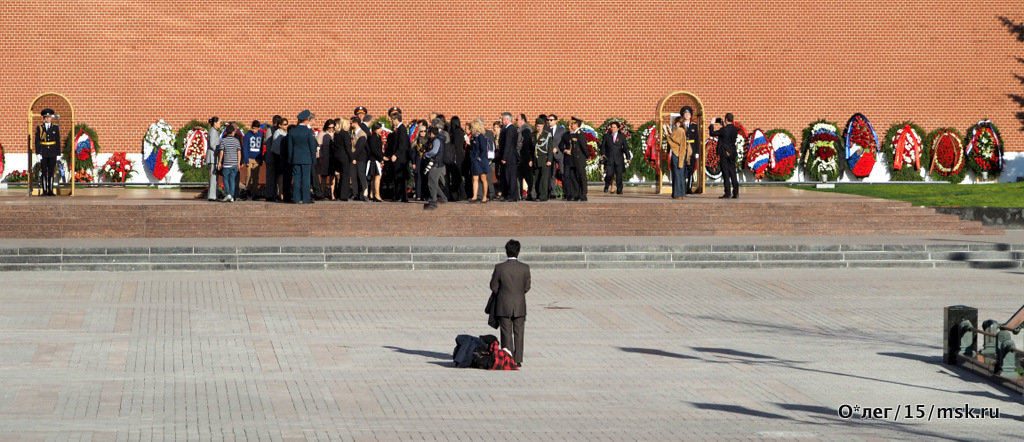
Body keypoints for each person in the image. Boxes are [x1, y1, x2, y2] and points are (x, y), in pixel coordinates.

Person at [489, 239, 530, 367]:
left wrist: (501, 293)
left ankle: (508, 357)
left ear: (506, 251)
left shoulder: (500, 268)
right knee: (519, 332)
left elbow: (493, 286)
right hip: (519, 305)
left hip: (503, 305)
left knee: (506, 332)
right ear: (518, 251)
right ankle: (518, 359)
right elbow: (527, 287)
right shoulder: (524, 268)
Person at [288, 110, 317, 204]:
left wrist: (290, 159)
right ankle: (305, 198)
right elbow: (312, 146)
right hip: (306, 158)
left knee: (296, 179)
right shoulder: (308, 132)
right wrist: (314, 159)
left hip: (295, 158)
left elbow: (290, 147)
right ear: (306, 120)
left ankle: (296, 198)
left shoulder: (292, 131)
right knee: (306, 179)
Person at [709, 113, 739, 199]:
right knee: (733, 172)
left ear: (726, 119)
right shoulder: (735, 129)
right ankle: (736, 192)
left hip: (724, 153)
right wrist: (723, 125)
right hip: (732, 152)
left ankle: (727, 192)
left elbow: (712, 133)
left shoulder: (723, 130)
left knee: (726, 173)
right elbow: (728, 136)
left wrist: (712, 123)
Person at [560, 117, 589, 201]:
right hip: (572, 159)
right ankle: (576, 194)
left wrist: (587, 156)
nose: (571, 125)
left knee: (581, 176)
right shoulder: (572, 134)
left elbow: (584, 146)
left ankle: (583, 194)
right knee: (573, 177)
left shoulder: (580, 134)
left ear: (576, 124)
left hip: (579, 159)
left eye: (572, 124)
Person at [34, 108, 61, 196]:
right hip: (44, 152)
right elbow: (37, 141)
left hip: (52, 152)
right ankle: (44, 190)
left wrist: (58, 153)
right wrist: (38, 153)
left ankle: (50, 190)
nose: (49, 119)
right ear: (44, 118)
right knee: (44, 171)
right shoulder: (40, 128)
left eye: (50, 117)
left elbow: (58, 141)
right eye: (47, 117)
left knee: (51, 171)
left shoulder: (55, 128)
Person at [666, 117, 693, 199]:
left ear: (678, 123)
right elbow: (674, 138)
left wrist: (666, 132)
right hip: (681, 154)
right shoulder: (682, 131)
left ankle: (677, 194)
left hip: (677, 154)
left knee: (677, 175)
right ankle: (681, 193)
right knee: (680, 175)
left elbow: (672, 140)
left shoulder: (679, 130)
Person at [601, 121, 630, 194]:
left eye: (614, 127)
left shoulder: (622, 137)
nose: (613, 129)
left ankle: (619, 189)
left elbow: (625, 148)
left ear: (617, 129)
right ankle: (607, 185)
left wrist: (628, 157)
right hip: (609, 159)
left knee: (619, 176)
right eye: (612, 127)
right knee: (609, 174)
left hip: (618, 159)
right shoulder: (607, 136)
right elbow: (603, 146)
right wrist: (603, 154)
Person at [389, 110, 411, 202]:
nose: (392, 121)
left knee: (399, 178)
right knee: (399, 178)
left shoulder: (401, 129)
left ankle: (399, 196)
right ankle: (400, 196)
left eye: (393, 120)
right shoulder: (400, 129)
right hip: (401, 157)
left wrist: (395, 154)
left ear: (397, 119)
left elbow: (402, 145)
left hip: (400, 158)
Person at [498, 112, 520, 201]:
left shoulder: (510, 129)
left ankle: (512, 195)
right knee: (506, 176)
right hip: (509, 155)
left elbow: (508, 144)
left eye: (502, 119)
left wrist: (504, 157)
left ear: (507, 119)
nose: (501, 121)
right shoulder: (507, 129)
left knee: (510, 176)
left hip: (510, 156)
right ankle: (507, 194)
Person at [216, 124, 242, 202]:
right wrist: (238, 163)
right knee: (232, 180)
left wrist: (219, 162)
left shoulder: (224, 140)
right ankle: (232, 195)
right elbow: (239, 152)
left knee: (226, 180)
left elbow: (221, 152)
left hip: (226, 163)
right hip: (234, 163)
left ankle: (228, 194)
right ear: (233, 132)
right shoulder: (236, 141)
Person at [423, 126, 446, 210]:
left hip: (435, 164)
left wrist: (426, 154)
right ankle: (443, 198)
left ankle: (433, 201)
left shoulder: (436, 140)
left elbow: (434, 151)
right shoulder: (440, 139)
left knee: (431, 182)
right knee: (434, 182)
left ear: (431, 133)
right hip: (438, 163)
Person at [468, 119, 490, 203]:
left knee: (483, 178)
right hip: (475, 160)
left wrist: (480, 158)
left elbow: (483, 149)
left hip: (481, 160)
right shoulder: (474, 136)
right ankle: (474, 196)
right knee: (475, 178)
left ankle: (484, 196)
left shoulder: (481, 136)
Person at [679, 106, 700, 193]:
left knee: (691, 168)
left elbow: (697, 139)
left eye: (688, 114)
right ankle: (683, 187)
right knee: (683, 168)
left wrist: (697, 152)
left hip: (691, 148)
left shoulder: (694, 126)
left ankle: (689, 187)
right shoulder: (680, 125)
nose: (687, 115)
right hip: (683, 148)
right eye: (685, 113)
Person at [241, 120, 264, 200]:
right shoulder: (248, 135)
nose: (254, 130)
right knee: (248, 175)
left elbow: (261, 147)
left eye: (256, 129)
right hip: (250, 158)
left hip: (257, 158)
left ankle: (255, 193)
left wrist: (261, 158)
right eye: (253, 128)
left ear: (258, 128)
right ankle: (246, 191)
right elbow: (245, 148)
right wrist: (246, 160)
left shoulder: (261, 134)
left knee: (256, 176)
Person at [532, 115, 552, 201]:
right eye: (537, 126)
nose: (538, 128)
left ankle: (543, 196)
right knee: (537, 178)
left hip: (544, 159)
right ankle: (537, 194)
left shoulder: (547, 135)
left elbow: (550, 148)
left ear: (543, 126)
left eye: (540, 126)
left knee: (543, 179)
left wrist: (549, 160)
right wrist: (530, 159)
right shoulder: (533, 135)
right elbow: (531, 148)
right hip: (536, 159)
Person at [446, 116, 467, 201]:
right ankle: (461, 194)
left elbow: (456, 145)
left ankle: (459, 194)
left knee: (456, 176)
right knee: (458, 176)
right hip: (460, 155)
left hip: (456, 156)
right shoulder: (461, 132)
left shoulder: (456, 132)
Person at [333, 117, 353, 201]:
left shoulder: (337, 133)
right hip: (344, 156)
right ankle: (343, 195)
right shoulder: (345, 134)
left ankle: (337, 193)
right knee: (345, 176)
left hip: (337, 156)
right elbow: (347, 147)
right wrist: (351, 158)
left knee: (339, 176)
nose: (349, 125)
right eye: (348, 124)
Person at [516, 114, 536, 200]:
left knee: (528, 177)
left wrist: (524, 156)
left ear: (523, 120)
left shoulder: (526, 130)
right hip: (521, 157)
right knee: (520, 177)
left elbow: (527, 144)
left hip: (525, 157)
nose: (516, 121)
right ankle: (520, 194)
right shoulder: (520, 130)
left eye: (517, 119)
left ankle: (531, 194)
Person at [547, 114, 566, 200]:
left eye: (551, 120)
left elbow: (563, 142)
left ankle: (566, 191)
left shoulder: (561, 130)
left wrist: (557, 149)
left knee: (562, 172)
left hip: (559, 154)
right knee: (551, 173)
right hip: (550, 155)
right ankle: (552, 192)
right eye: (548, 120)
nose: (549, 121)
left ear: (555, 121)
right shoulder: (546, 130)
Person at [350, 117, 370, 201]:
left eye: (351, 123)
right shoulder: (353, 133)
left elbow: (360, 148)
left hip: (360, 158)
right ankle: (356, 193)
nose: (350, 125)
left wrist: (354, 157)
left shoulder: (362, 134)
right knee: (354, 176)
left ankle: (365, 193)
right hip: (353, 157)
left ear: (355, 123)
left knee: (361, 176)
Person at [317, 119, 335, 200]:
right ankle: (322, 192)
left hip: (332, 157)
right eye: (329, 127)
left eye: (333, 127)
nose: (331, 129)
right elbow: (318, 146)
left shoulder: (335, 134)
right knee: (323, 176)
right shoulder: (322, 134)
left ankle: (332, 194)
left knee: (332, 176)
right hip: (324, 157)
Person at [367, 122, 385, 202]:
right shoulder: (373, 137)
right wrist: (381, 157)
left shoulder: (378, 136)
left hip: (377, 159)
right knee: (377, 176)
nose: (381, 130)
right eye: (380, 128)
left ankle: (372, 193)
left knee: (375, 177)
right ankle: (377, 195)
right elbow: (374, 149)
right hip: (374, 160)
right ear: (376, 129)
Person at [206, 116, 222, 201]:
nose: (220, 124)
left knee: (215, 177)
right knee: (213, 177)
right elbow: (212, 144)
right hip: (213, 157)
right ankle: (212, 196)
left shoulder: (215, 131)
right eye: (219, 122)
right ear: (215, 123)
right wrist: (219, 150)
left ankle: (214, 194)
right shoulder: (213, 131)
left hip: (214, 156)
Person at [489, 121, 502, 200]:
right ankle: (496, 191)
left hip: (500, 158)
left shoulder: (501, 137)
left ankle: (500, 191)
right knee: (495, 175)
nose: (495, 129)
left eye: (497, 127)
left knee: (500, 175)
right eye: (494, 128)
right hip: (494, 159)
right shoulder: (493, 137)